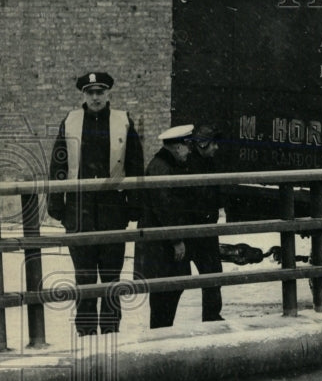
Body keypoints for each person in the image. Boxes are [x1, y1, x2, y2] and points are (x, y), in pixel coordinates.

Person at [47, 71, 144, 336]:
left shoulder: (122, 121)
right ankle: (86, 332)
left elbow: (135, 164)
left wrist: (134, 204)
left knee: (112, 276)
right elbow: (58, 163)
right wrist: (56, 203)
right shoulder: (70, 121)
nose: (95, 97)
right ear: (83, 95)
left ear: (108, 94)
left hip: (113, 208)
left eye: (100, 92)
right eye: (90, 92)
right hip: (80, 210)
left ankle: (111, 330)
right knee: (85, 277)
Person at [135, 125, 196, 329]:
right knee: (165, 294)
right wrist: (177, 240)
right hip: (162, 245)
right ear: (178, 147)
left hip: (160, 243)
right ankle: (160, 335)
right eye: (188, 147)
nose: (189, 152)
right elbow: (165, 208)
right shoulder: (162, 168)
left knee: (168, 291)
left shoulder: (164, 165)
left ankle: (162, 332)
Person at [185, 123, 224, 321]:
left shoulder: (208, 163)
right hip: (194, 228)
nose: (216, 148)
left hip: (206, 228)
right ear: (202, 144)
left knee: (213, 274)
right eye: (213, 144)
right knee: (209, 273)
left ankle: (212, 316)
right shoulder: (189, 165)